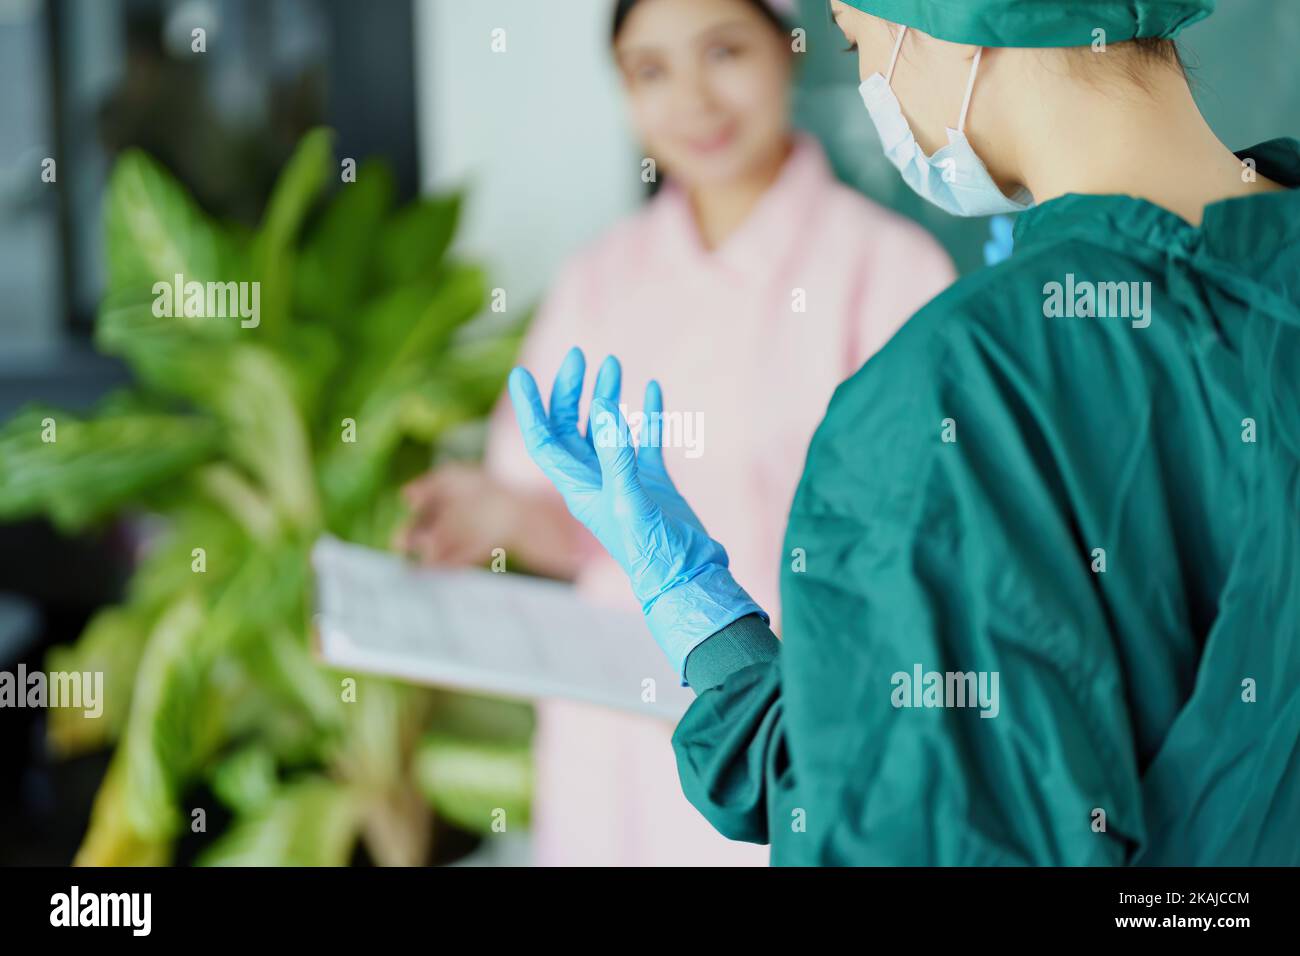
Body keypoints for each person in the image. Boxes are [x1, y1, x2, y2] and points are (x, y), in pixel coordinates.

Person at [507, 0, 1300, 864]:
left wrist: (702, 620)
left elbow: (913, 823)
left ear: (941, 29)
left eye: (855, 41)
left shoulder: (964, 382)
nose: (868, 77)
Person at [398, 0, 955, 865]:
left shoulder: (889, 274)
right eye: (650, 71)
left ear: (790, 51)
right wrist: (502, 519)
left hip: (789, 722)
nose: (692, 99)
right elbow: (585, 531)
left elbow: (931, 553)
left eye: (723, 51)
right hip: (609, 745)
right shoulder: (598, 280)